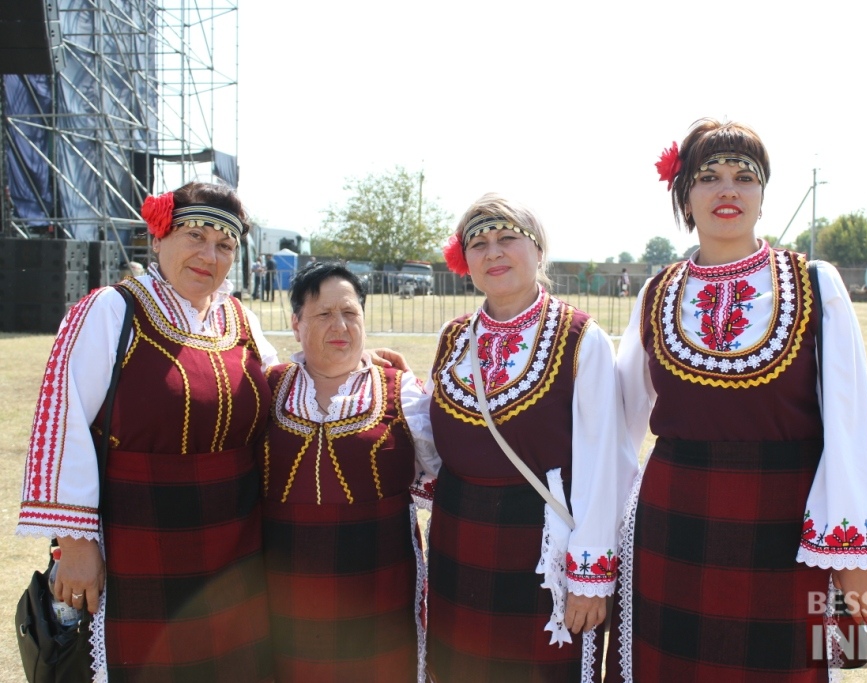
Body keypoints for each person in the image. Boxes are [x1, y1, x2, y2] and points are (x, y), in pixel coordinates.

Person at [608, 119, 867, 681]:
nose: (728, 190)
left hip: (786, 525)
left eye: (745, 177)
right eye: (708, 177)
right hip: (675, 519)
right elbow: (615, 418)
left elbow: (850, 424)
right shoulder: (656, 292)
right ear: (685, 197)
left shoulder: (815, 284)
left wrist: (855, 555)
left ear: (764, 196)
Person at [17, 182, 280, 681]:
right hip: (140, 533)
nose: (209, 255)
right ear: (157, 238)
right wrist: (75, 545)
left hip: (235, 539)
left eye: (225, 245)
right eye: (195, 235)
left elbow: (281, 389)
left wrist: (353, 368)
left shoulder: (239, 318)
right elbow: (61, 420)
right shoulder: (111, 310)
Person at [419, 193, 637, 682]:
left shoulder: (582, 338)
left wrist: (590, 575)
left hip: (544, 552)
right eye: (478, 244)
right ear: (465, 262)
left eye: (507, 238)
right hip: (459, 538)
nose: (493, 252)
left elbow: (605, 463)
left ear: (538, 252)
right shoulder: (453, 339)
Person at [260, 261, 439, 682]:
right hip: (284, 587)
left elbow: (442, 472)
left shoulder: (402, 392)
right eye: (323, 314)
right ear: (296, 323)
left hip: (379, 587)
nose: (340, 325)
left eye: (351, 313)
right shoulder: (266, 388)